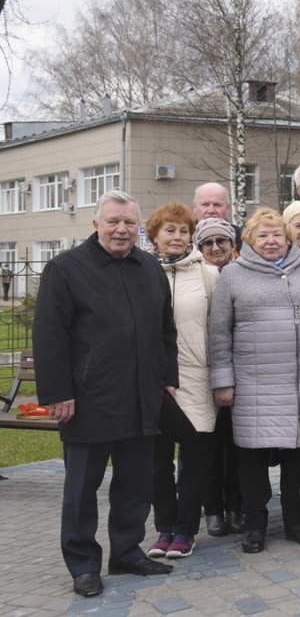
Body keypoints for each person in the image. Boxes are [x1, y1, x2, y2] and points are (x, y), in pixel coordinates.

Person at [33, 190, 179, 597]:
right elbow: (49, 336)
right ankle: (83, 564)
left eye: (129, 223)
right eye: (113, 221)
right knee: (81, 489)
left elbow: (165, 330)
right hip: (87, 399)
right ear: (96, 224)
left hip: (142, 396)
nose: (121, 229)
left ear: (139, 226)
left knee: (136, 483)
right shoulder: (65, 269)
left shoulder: (149, 267)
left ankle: (127, 551)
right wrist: (58, 392)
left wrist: (168, 377)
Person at [209, 207, 300, 554]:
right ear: (248, 240)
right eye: (262, 235)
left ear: (288, 238)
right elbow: (219, 333)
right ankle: (255, 525)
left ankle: (294, 521)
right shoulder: (232, 276)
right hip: (252, 385)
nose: (270, 240)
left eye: (277, 234)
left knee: (297, 457)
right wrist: (223, 381)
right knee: (252, 461)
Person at [145, 203, 220, 562]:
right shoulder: (140, 271)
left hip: (197, 376)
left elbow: (221, 330)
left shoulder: (208, 275)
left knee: (195, 457)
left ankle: (186, 530)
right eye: (169, 230)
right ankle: (164, 527)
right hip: (154, 381)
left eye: (183, 230)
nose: (177, 237)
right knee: (157, 460)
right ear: (154, 235)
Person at [191, 216, 241, 538]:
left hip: (240, 371)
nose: (215, 248)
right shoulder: (195, 278)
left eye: (221, 241)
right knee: (207, 446)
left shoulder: (242, 273)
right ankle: (213, 509)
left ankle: (236, 505)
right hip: (200, 372)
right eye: (207, 243)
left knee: (237, 445)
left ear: (232, 244)